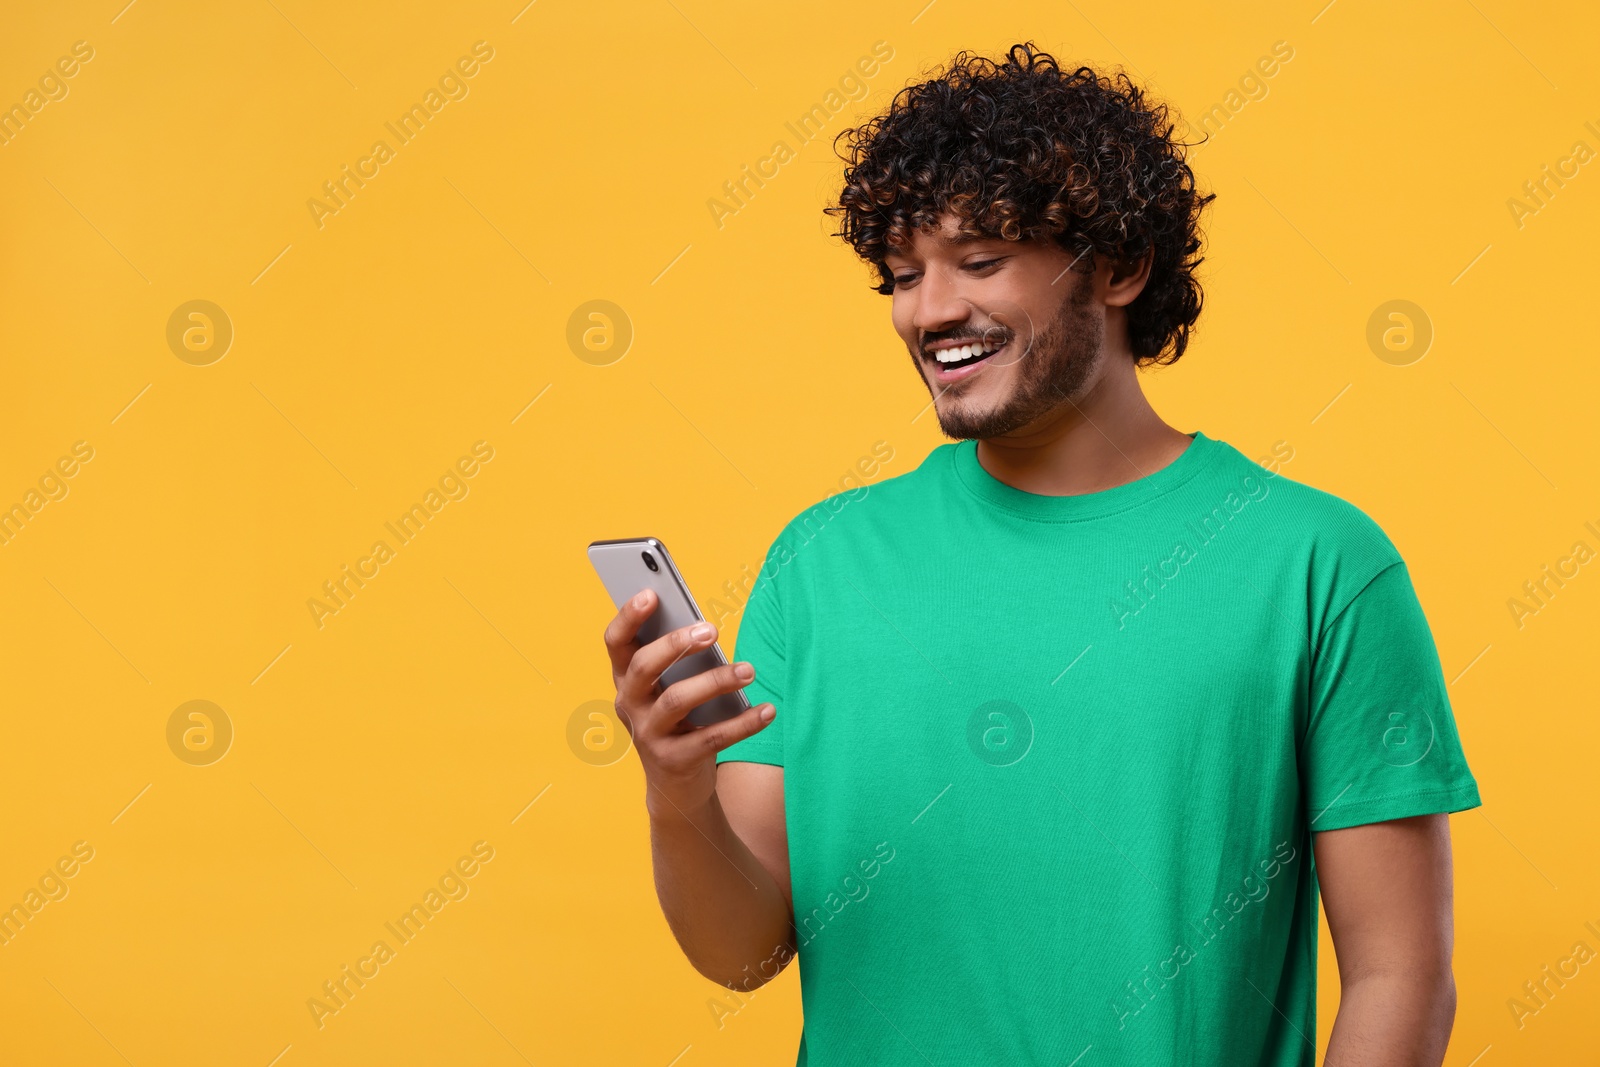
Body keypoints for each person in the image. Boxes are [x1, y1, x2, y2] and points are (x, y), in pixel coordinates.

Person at [601, 42, 1480, 1066]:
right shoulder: (823, 561)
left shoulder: (1317, 563)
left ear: (1117, 266)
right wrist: (677, 794)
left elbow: (1399, 974)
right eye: (899, 275)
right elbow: (741, 954)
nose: (927, 312)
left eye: (979, 261)